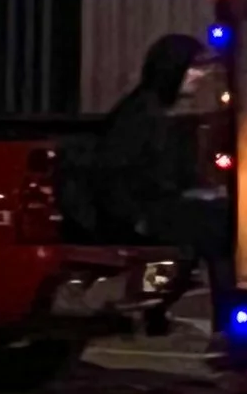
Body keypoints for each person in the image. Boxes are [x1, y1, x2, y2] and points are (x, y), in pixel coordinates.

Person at [66, 33, 202, 244]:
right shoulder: (142, 114)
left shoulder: (157, 110)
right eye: (191, 68)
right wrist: (138, 221)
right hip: (137, 224)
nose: (199, 75)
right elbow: (112, 176)